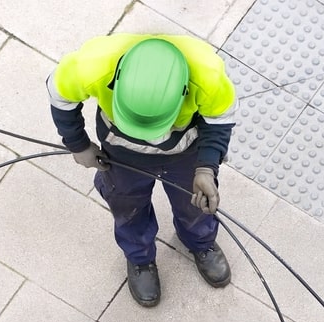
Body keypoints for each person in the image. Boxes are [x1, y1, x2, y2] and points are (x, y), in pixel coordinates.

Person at [47, 34, 237, 307]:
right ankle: (140, 258)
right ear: (118, 78)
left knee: (195, 203)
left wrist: (206, 167)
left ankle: (200, 241)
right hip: (121, 153)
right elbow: (59, 95)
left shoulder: (207, 74)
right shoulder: (93, 64)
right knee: (127, 207)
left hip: (185, 154)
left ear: (185, 89)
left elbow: (220, 119)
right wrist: (77, 144)